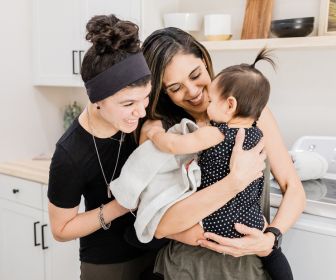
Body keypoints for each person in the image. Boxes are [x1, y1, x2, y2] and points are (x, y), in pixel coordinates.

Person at [139, 27, 306, 280]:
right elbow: (159, 225)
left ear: (205, 61)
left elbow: (293, 188)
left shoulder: (254, 116)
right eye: (175, 87)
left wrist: (271, 238)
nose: (193, 91)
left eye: (195, 75)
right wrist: (234, 182)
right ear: (163, 92)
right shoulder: (163, 135)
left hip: (248, 266)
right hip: (185, 269)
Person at [47, 14, 162, 280]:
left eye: (145, 98)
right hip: (108, 265)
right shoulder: (70, 153)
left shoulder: (142, 120)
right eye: (128, 104)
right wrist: (120, 206)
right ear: (97, 99)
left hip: (159, 252)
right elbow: (60, 229)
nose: (140, 110)